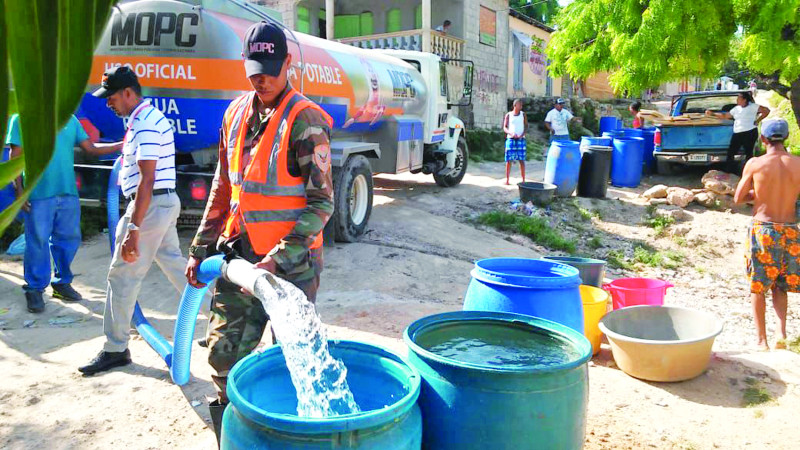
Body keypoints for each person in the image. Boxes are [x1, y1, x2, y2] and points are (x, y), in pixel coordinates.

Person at [183, 21, 333, 442]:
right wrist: (201, 248)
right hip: (239, 258)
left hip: (292, 267)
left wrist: (277, 259)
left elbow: (323, 204)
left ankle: (289, 435)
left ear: (287, 63)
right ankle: (232, 437)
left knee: (293, 359)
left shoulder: (306, 122)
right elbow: (222, 187)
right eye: (254, 68)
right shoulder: (233, 115)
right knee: (222, 355)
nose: (261, 77)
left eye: (270, 67)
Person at [79, 66, 189, 375]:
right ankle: (218, 316)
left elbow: (147, 178)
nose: (108, 104)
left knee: (122, 275)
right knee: (175, 264)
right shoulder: (142, 120)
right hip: (161, 202)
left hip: (150, 204)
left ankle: (115, 348)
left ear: (128, 93)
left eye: (111, 97)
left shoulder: (144, 124)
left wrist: (134, 229)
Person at [5, 114, 121, 313]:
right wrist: (19, 191)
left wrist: (122, 144)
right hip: (38, 192)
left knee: (68, 240)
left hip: (67, 192)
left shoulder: (69, 119)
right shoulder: (24, 117)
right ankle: (34, 288)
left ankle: (61, 284)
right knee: (37, 241)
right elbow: (15, 156)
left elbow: (90, 148)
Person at [734, 119, 800, 351]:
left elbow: (739, 198)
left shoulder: (755, 164)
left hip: (764, 230)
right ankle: (780, 333)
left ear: (763, 139)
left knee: (759, 286)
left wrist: (759, 193)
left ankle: (762, 341)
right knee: (780, 285)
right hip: (790, 230)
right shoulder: (798, 164)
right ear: (786, 138)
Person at [705, 91, 770, 173]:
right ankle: (729, 171)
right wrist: (712, 114)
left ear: (744, 100)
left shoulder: (753, 107)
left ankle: (750, 171)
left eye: (739, 98)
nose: (737, 100)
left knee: (749, 153)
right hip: (738, 133)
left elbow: (767, 110)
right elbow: (725, 116)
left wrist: (758, 120)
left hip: (750, 132)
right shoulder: (736, 109)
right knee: (731, 152)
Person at [503, 99, 527, 185]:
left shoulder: (523, 115)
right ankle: (507, 180)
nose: (521, 107)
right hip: (511, 139)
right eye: (519, 105)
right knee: (508, 160)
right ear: (515, 105)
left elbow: (526, 126)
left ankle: (523, 180)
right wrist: (511, 133)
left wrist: (522, 135)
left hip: (521, 139)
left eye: (521, 105)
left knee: (521, 160)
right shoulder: (508, 115)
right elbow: (505, 127)